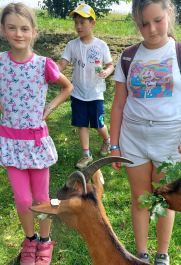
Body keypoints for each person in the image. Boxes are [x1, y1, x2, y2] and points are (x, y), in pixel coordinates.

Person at [0, 3, 73, 265]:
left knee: (41, 198)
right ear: (3, 30)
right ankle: (30, 239)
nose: (18, 33)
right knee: (23, 200)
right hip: (10, 143)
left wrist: (49, 108)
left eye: (24, 28)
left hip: (37, 143)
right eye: (12, 27)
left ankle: (46, 241)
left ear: (34, 32)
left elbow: (67, 87)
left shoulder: (44, 64)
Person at [110, 0, 181, 265]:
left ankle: (162, 255)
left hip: (171, 140)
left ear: (169, 14)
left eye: (157, 20)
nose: (151, 29)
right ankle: (141, 256)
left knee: (165, 196)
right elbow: (118, 104)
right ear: (136, 23)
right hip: (133, 139)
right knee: (140, 196)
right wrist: (114, 144)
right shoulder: (128, 57)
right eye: (143, 23)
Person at [58, 4, 114, 169]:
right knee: (82, 124)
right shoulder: (72, 45)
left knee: (98, 124)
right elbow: (61, 64)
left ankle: (107, 141)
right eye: (76, 22)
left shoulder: (101, 45)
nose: (78, 26)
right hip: (78, 93)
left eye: (82, 22)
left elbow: (110, 65)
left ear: (93, 23)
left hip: (96, 94)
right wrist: (47, 70)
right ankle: (86, 154)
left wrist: (107, 72)